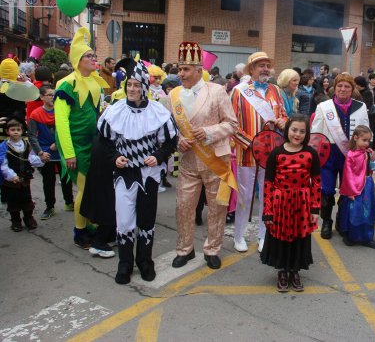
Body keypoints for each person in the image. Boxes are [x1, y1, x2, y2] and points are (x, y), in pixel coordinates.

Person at [97, 58, 177, 283]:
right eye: (129, 85)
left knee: (146, 219)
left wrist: (158, 156)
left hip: (149, 175)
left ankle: (144, 262)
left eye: (136, 85)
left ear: (144, 87)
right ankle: (124, 264)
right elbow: (104, 140)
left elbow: (170, 141)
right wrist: (115, 158)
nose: (132, 89)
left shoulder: (157, 112)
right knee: (124, 221)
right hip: (124, 175)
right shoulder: (115, 111)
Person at [168, 42, 238, 269]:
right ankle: (185, 249)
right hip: (188, 162)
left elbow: (232, 124)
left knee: (217, 208)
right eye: (179, 69)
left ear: (199, 70)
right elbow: (170, 128)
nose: (181, 73)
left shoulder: (217, 91)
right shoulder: (174, 95)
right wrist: (179, 140)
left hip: (215, 160)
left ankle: (212, 249)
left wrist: (208, 132)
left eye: (186, 69)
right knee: (183, 207)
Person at [54, 27, 110, 248]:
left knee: (92, 187)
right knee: (84, 188)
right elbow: (61, 121)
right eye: (89, 56)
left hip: (92, 143)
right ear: (78, 59)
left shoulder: (95, 81)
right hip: (75, 144)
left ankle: (88, 223)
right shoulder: (66, 84)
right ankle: (80, 232)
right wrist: (68, 153)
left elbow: (97, 113)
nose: (94, 59)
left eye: (94, 55)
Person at [230, 52, 287, 253]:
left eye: (267, 65)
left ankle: (264, 235)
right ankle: (239, 236)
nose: (264, 69)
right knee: (245, 197)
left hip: (271, 154)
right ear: (251, 69)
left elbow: (284, 117)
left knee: (267, 196)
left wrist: (283, 122)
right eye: (260, 65)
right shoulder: (239, 91)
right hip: (247, 152)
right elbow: (230, 123)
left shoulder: (276, 91)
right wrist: (250, 143)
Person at [260, 114, 321, 292]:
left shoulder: (311, 153)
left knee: (299, 238)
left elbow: (316, 182)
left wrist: (315, 208)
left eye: (302, 131)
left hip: (302, 203)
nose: (297, 134)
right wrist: (268, 211)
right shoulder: (276, 153)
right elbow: (269, 184)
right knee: (280, 237)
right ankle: (282, 271)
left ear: (307, 133)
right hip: (280, 202)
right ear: (287, 130)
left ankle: (295, 271)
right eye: (294, 130)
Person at [311, 73, 369, 239]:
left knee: (347, 190)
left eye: (347, 87)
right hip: (328, 154)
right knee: (326, 190)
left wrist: (366, 151)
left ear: (352, 89)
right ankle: (326, 221)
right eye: (340, 86)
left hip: (350, 156)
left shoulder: (360, 107)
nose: (343, 89)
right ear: (334, 88)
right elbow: (315, 133)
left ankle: (342, 221)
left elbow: (366, 132)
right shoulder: (324, 107)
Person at [338, 125, 375, 248]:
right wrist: (351, 192)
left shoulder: (367, 153)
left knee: (367, 211)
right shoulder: (351, 155)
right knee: (354, 211)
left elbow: (373, 166)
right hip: (354, 189)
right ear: (355, 138)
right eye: (364, 140)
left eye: (368, 140)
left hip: (367, 185)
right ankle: (351, 236)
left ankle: (367, 237)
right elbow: (348, 174)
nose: (367, 143)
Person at [28, 85, 74, 220]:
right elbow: (31, 136)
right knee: (48, 181)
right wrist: (41, 153)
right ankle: (50, 207)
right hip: (46, 153)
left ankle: (69, 202)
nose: (52, 97)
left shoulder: (61, 111)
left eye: (54, 95)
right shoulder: (35, 114)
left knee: (66, 178)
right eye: (49, 95)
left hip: (62, 152)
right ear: (41, 97)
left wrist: (60, 144)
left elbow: (68, 130)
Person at [1, 117, 44, 231]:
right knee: (13, 201)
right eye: (12, 129)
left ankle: (28, 219)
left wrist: (41, 160)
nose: (15, 132)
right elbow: (3, 164)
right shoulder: (4, 146)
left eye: (18, 129)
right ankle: (15, 221)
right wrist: (11, 176)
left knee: (26, 199)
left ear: (22, 131)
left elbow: (30, 158)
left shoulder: (26, 144)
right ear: (7, 131)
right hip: (11, 180)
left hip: (25, 177)